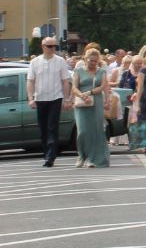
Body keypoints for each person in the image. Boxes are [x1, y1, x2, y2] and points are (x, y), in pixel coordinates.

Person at [27, 36, 71, 167]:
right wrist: (30, 98)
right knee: (43, 128)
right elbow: (30, 80)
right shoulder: (35, 62)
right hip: (40, 98)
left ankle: (50, 156)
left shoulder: (60, 61)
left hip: (55, 98)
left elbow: (65, 80)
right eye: (49, 46)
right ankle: (46, 153)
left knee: (52, 127)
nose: (52, 49)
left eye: (54, 46)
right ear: (43, 46)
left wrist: (67, 98)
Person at [71, 47, 111, 168]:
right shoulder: (78, 70)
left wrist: (93, 94)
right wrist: (81, 95)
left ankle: (94, 158)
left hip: (96, 101)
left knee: (96, 130)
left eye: (95, 61)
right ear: (85, 59)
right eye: (90, 60)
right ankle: (82, 155)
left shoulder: (101, 71)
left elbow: (103, 86)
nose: (93, 63)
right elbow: (74, 87)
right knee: (82, 131)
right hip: (81, 103)